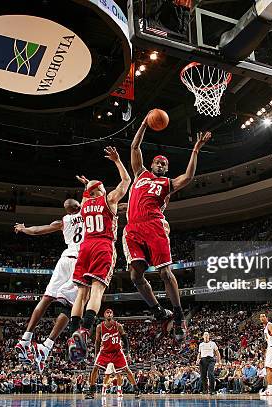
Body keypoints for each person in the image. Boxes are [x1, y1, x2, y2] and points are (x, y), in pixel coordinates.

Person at [125, 110, 212, 340]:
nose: (161, 165)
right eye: (158, 162)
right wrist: (144, 123)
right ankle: (157, 310)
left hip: (153, 225)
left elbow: (189, 177)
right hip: (133, 228)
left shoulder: (167, 183)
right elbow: (135, 148)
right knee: (135, 276)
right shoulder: (139, 174)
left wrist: (195, 150)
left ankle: (179, 315)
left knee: (165, 272)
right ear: (151, 164)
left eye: (164, 163)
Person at [67, 148, 131, 362]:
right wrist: (118, 161)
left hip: (85, 246)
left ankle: (73, 333)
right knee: (97, 292)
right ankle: (85, 329)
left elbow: (90, 191)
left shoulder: (84, 205)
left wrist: (88, 184)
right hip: (102, 245)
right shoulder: (109, 199)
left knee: (81, 295)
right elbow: (126, 181)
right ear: (100, 190)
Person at [13, 199, 83, 371]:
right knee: (70, 306)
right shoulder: (89, 213)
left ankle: (25, 339)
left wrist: (23, 229)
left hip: (64, 259)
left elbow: (38, 231)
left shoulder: (63, 221)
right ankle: (47, 345)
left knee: (46, 298)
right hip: (79, 260)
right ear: (78, 206)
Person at [85, 309, 140, 399]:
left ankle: (136, 389)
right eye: (107, 312)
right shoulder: (100, 327)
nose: (109, 314)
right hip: (104, 352)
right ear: (104, 315)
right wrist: (96, 354)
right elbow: (97, 341)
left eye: (111, 312)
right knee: (95, 368)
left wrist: (127, 351)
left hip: (117, 352)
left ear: (113, 315)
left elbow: (125, 338)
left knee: (127, 369)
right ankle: (91, 391)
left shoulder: (118, 326)